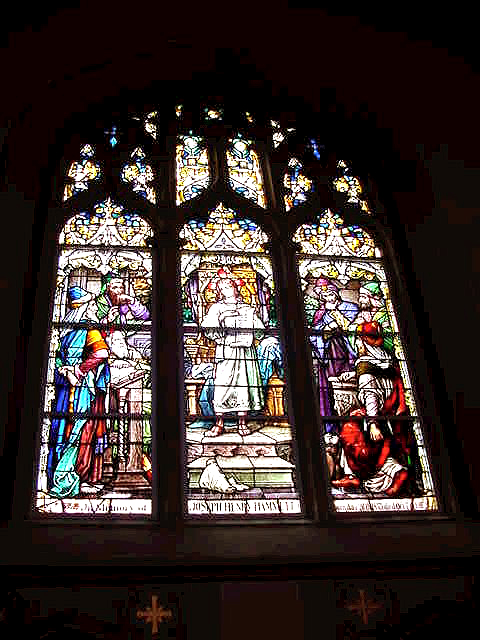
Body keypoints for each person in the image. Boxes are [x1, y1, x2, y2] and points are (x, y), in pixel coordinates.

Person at [48, 273, 150, 498]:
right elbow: (102, 353)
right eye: (91, 306)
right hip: (88, 387)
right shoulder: (89, 328)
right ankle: (80, 476)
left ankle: (78, 476)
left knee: (76, 427)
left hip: (75, 387)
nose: (95, 309)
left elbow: (59, 359)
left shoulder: (66, 333)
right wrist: (80, 370)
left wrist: (69, 369)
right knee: (86, 429)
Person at [200, 272, 264, 437]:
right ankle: (219, 423)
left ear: (236, 288)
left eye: (229, 286)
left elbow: (260, 332)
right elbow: (208, 329)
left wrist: (253, 320)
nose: (227, 289)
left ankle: (242, 423)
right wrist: (222, 318)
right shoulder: (217, 308)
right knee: (222, 386)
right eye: (223, 287)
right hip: (226, 350)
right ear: (220, 292)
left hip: (245, 352)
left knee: (244, 385)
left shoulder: (247, 308)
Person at [308, 278, 358, 430]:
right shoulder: (321, 313)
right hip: (327, 356)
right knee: (328, 391)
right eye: (324, 296)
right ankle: (331, 427)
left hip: (347, 354)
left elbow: (354, 329)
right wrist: (324, 331)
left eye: (330, 294)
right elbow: (314, 334)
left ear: (336, 293)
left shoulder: (350, 307)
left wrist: (337, 319)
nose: (328, 298)